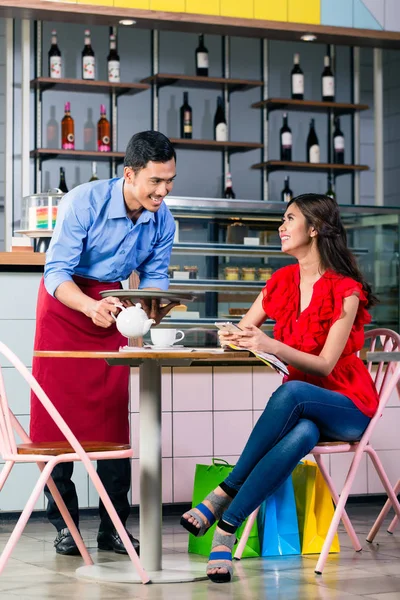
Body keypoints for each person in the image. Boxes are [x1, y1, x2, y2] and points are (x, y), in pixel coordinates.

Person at [180, 193, 379, 583]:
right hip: (306, 410)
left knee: (291, 393)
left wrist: (270, 345)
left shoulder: (346, 291)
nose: (281, 228)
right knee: (301, 432)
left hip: (348, 406)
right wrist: (233, 336)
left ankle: (224, 492)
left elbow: (324, 364)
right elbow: (245, 326)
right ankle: (225, 531)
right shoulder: (282, 280)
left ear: (315, 229)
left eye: (290, 219)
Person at [31, 130, 178, 556]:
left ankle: (113, 526)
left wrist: (152, 309)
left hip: (114, 307)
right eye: (155, 181)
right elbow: (55, 271)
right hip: (65, 308)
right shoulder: (84, 201)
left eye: (169, 181)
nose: (163, 191)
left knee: (113, 422)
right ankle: (65, 527)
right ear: (130, 174)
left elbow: (154, 275)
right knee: (53, 423)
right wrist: (87, 306)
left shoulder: (163, 218)